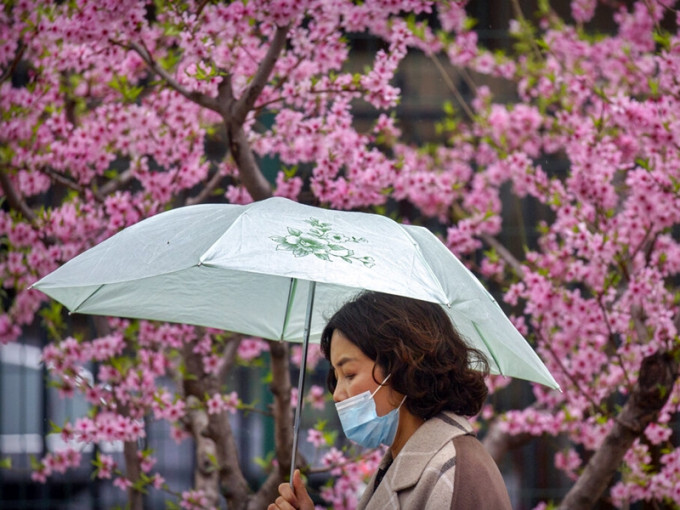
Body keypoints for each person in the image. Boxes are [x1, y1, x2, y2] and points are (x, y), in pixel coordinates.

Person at [268, 291, 512, 510]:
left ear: (403, 367)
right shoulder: (398, 466)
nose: (338, 394)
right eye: (336, 376)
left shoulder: (454, 473)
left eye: (350, 374)